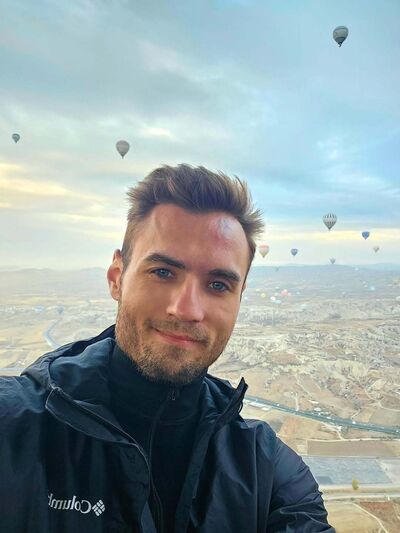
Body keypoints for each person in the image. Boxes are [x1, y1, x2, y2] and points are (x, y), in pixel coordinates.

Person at [0, 165, 335, 532]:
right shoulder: (14, 426)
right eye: (162, 272)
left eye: (218, 285)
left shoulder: (267, 472)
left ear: (240, 297)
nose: (187, 309)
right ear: (117, 277)